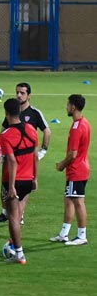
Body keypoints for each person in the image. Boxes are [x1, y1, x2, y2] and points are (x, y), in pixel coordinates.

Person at [0, 82, 51, 223]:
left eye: (22, 93)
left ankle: (19, 216)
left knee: (20, 188)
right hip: (10, 155)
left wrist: (43, 150)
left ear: (29, 96)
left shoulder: (34, 113)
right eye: (17, 92)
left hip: (25, 158)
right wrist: (1, 151)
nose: (19, 95)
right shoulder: (12, 112)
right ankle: (7, 214)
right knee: (5, 190)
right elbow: (3, 131)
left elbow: (47, 131)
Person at [0, 98, 37, 265]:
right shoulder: (31, 129)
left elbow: (12, 162)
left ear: (6, 113)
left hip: (13, 181)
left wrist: (11, 186)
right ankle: (14, 244)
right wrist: (35, 178)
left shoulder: (6, 135)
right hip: (28, 179)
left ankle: (19, 254)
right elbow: (35, 156)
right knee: (18, 214)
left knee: (13, 218)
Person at [50, 94, 90, 246]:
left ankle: (82, 236)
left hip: (76, 170)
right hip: (81, 167)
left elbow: (73, 154)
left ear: (73, 107)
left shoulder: (76, 128)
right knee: (69, 200)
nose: (66, 107)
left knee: (78, 201)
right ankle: (64, 234)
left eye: (68, 105)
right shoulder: (85, 122)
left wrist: (62, 164)